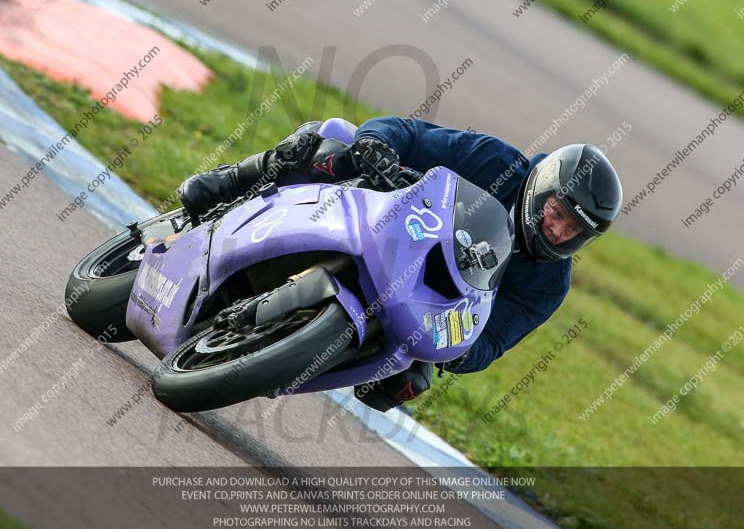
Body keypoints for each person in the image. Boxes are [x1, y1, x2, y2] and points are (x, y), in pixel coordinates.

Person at [178, 117, 623, 412]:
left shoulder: (549, 284)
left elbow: (493, 342)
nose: (560, 232)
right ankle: (231, 180)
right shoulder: (497, 162)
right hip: (385, 226)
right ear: (545, 188)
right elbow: (410, 133)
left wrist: (462, 350)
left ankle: (280, 355)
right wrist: (378, 146)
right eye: (559, 214)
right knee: (333, 146)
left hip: (423, 307)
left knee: (405, 384)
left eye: (575, 232)